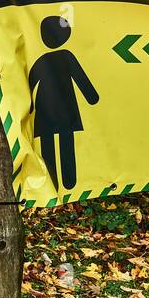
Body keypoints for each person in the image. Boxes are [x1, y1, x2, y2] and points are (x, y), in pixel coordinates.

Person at [27, 16, 100, 191]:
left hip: (45, 107)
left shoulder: (41, 60)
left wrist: (29, 107)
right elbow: (81, 79)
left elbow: (31, 82)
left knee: (48, 144)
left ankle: (53, 182)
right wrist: (91, 97)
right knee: (67, 142)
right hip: (66, 106)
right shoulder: (67, 56)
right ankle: (69, 180)